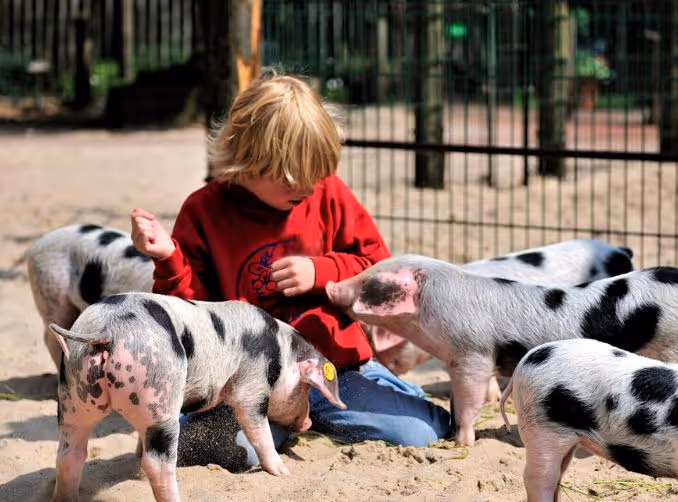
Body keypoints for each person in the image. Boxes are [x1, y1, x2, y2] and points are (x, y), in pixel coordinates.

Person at [130, 71, 452, 470]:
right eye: (292, 179)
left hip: (333, 371)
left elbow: (377, 268)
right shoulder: (204, 211)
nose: (307, 188)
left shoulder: (327, 193)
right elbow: (187, 316)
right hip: (251, 384)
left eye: (315, 174)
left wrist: (321, 271)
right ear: (248, 160)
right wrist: (167, 258)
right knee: (230, 452)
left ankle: (363, 399)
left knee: (423, 432)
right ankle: (283, 426)